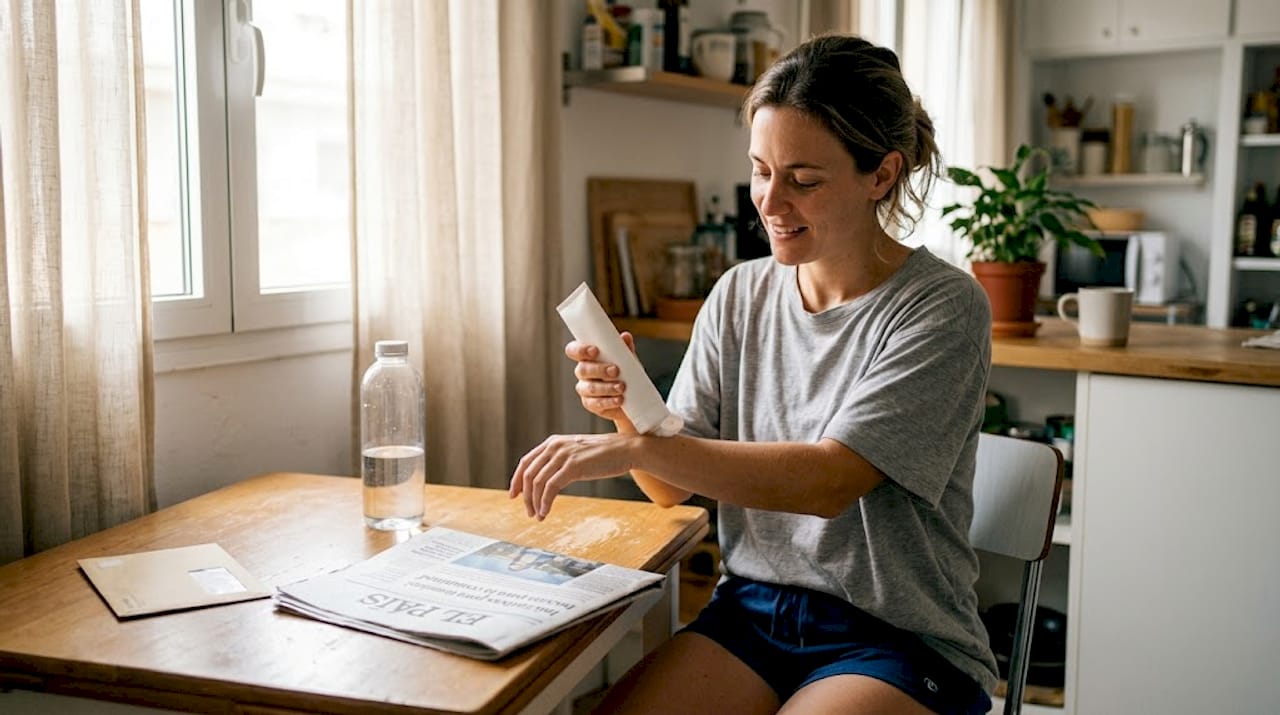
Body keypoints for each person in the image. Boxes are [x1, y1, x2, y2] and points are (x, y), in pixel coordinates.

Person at [510, 33, 997, 715]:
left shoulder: (942, 307)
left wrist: (634, 444)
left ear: (881, 175)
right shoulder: (739, 293)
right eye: (760, 170)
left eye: (803, 180)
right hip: (754, 612)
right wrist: (627, 410)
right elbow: (668, 488)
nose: (770, 201)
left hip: (898, 636)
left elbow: (828, 481)